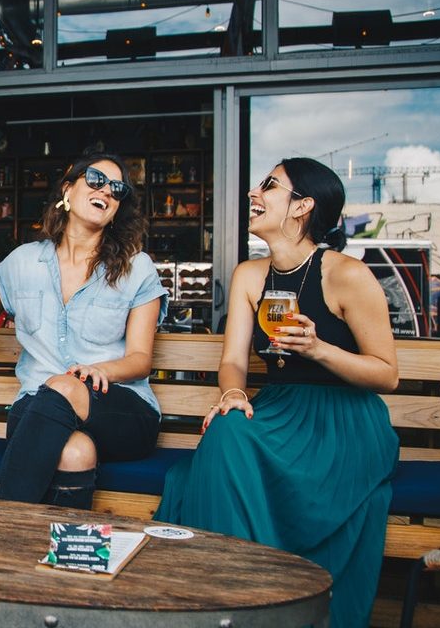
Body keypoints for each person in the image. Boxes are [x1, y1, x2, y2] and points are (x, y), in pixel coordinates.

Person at [155, 157, 398, 628]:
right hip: (280, 410)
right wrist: (232, 395)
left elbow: (386, 374)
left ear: (302, 206)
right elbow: (233, 362)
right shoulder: (250, 275)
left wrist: (319, 349)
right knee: (227, 431)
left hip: (343, 422)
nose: (253, 193)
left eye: (269, 185)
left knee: (225, 450)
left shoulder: (347, 274)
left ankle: (280, 605)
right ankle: (229, 604)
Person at [0, 152, 168, 511]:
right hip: (36, 406)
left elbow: (140, 360)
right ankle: (63, 559)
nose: (106, 191)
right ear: (68, 190)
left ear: (117, 209)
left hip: (117, 407)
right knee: (76, 452)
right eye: (95, 180)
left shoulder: (136, 268)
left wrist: (99, 371)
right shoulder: (23, 262)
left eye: (117, 189)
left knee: (65, 385)